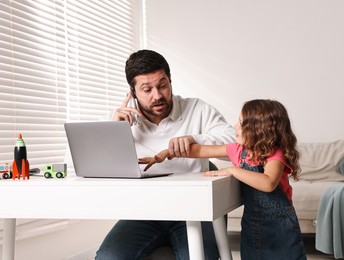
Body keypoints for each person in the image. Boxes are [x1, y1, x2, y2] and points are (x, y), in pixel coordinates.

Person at [95, 49, 235, 260]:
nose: (157, 95)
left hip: (193, 210)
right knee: (108, 257)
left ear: (170, 81)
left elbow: (237, 145)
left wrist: (194, 140)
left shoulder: (197, 109)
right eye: (147, 89)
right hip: (143, 212)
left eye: (162, 85)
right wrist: (112, 132)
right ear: (132, 93)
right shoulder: (120, 119)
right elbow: (81, 162)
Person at [142, 99, 307, 260]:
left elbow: (268, 183)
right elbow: (198, 151)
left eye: (241, 123)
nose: (235, 126)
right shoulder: (238, 150)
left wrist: (233, 170)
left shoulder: (275, 155)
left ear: (259, 129)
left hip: (280, 226)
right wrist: (165, 153)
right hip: (252, 224)